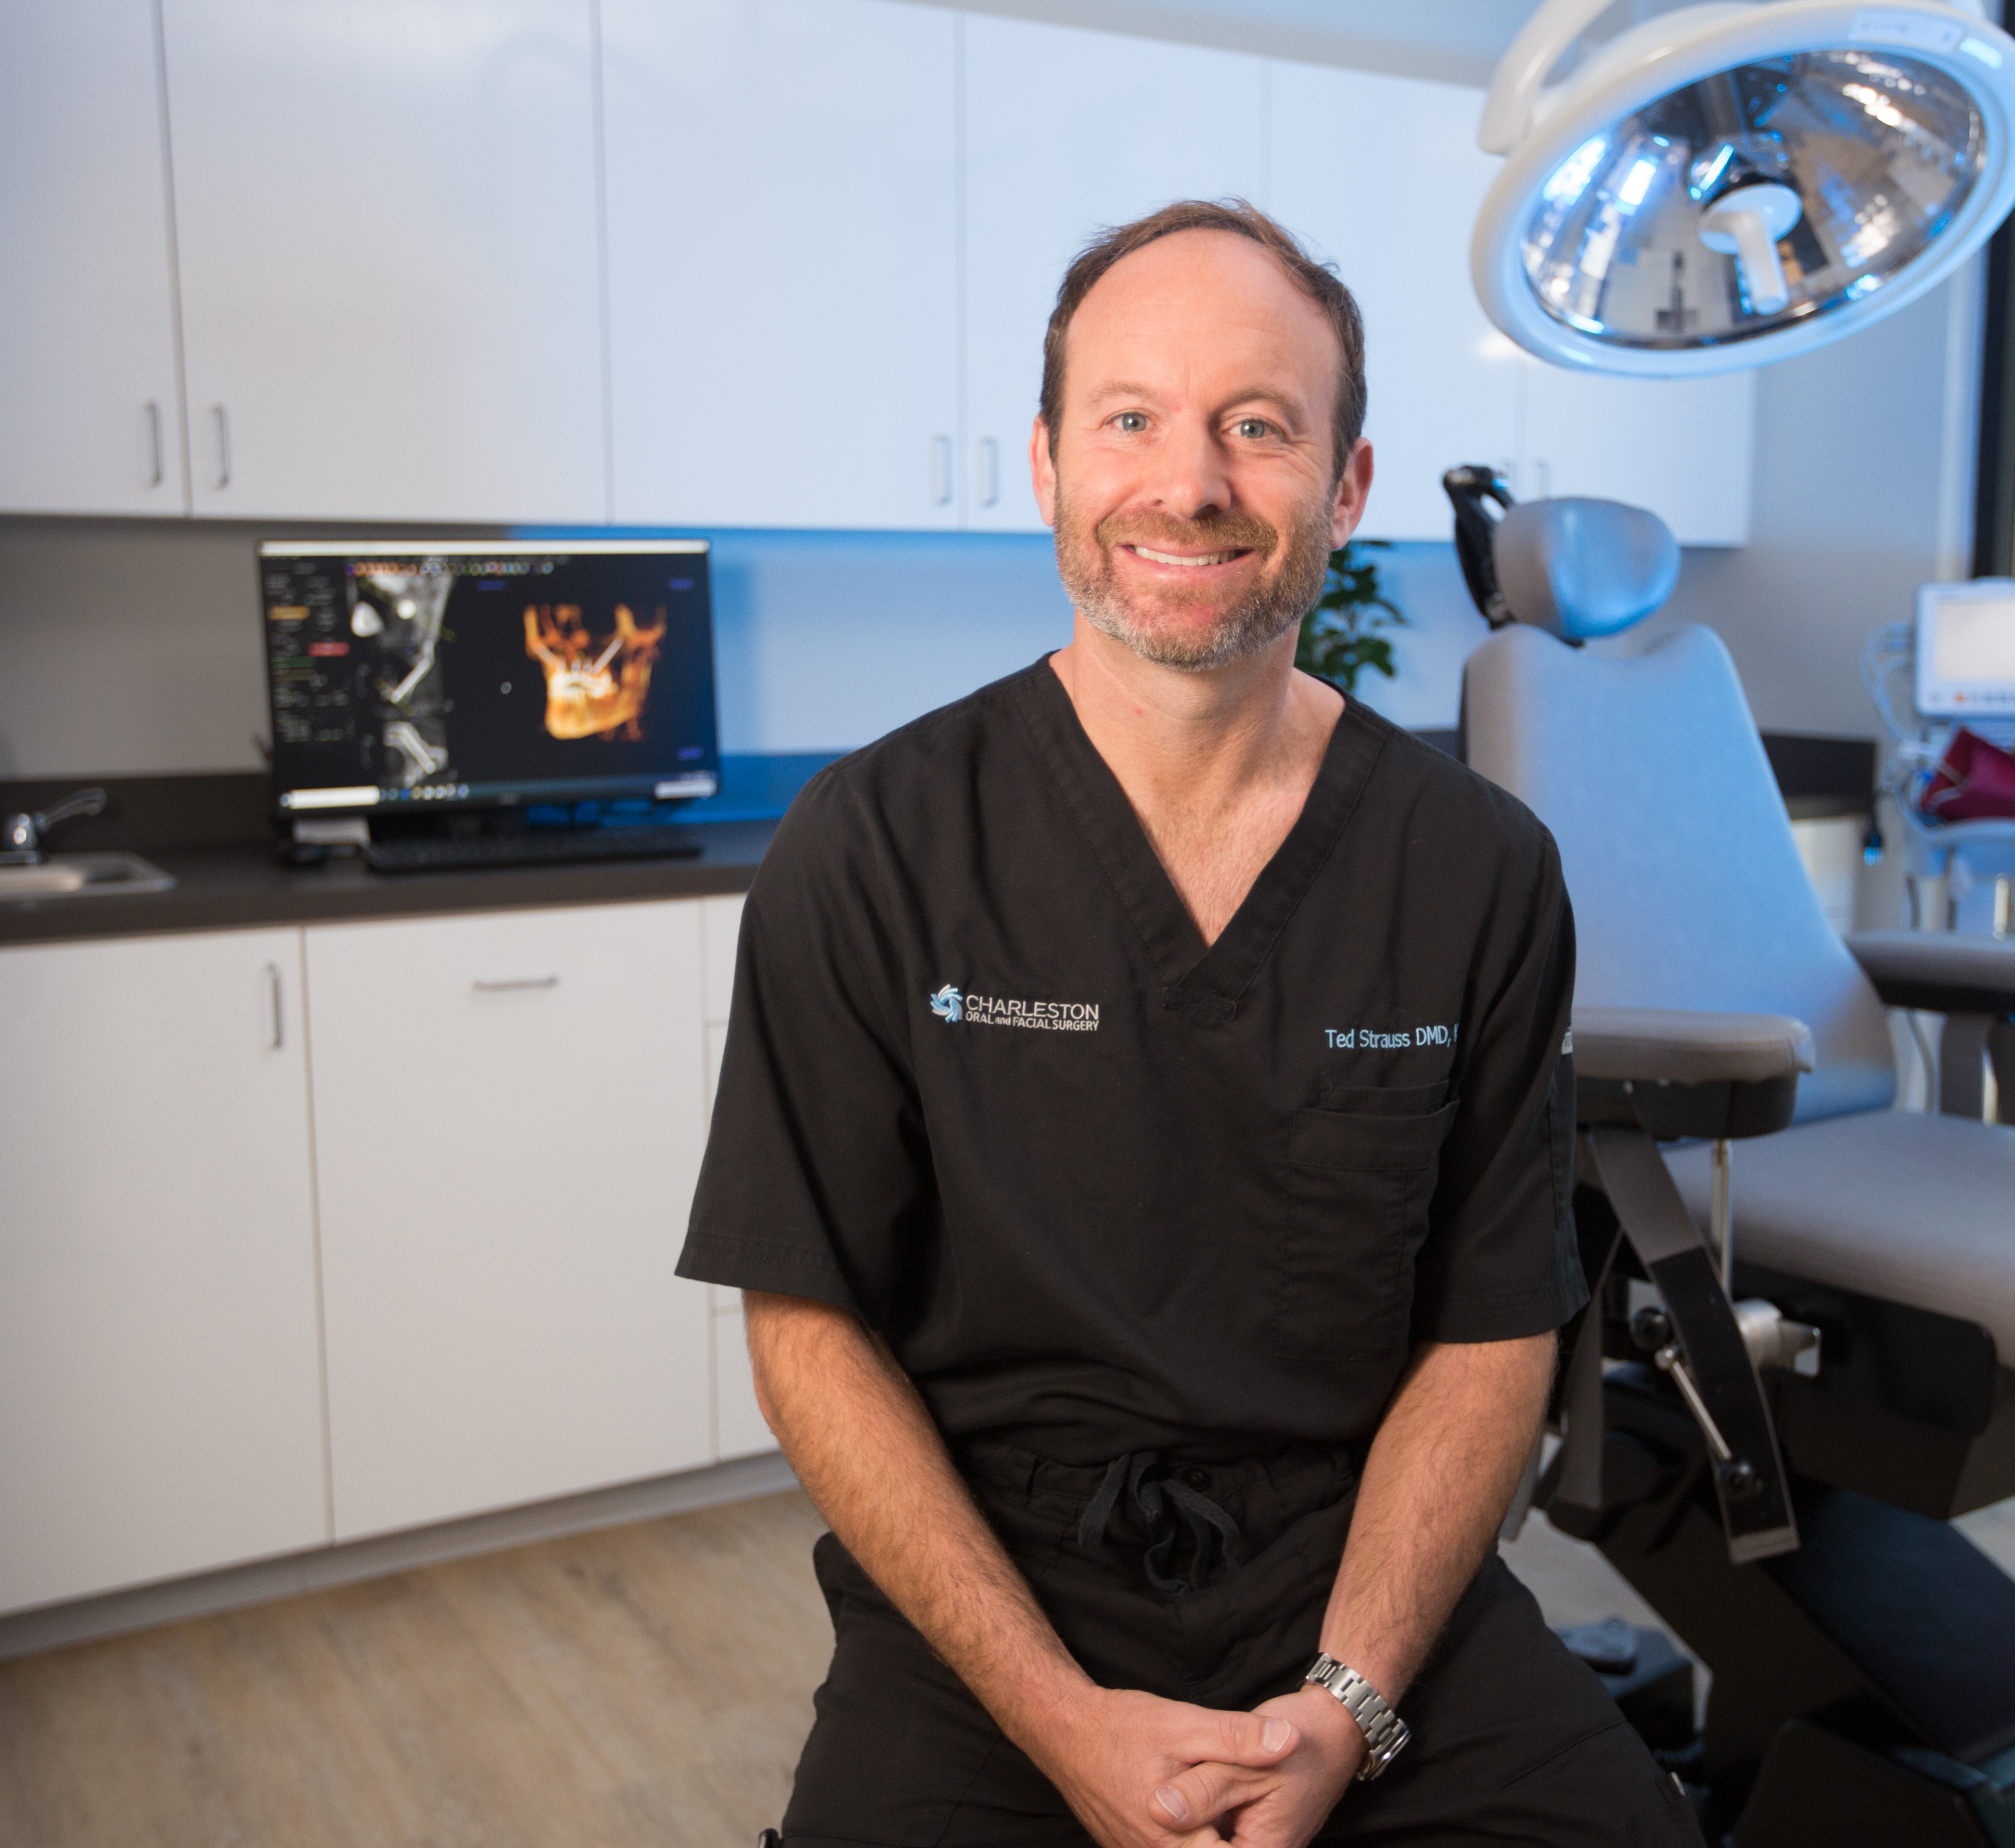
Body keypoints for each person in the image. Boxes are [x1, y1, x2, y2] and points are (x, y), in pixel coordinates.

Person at [677, 198, 1699, 1848]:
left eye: (1257, 426)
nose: (1189, 482)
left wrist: (1344, 1709)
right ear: (1048, 466)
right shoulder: (874, 847)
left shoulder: (1473, 871)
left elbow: (1491, 1332)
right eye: (1131, 419)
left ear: (1347, 486)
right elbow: (809, 1324)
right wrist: (1062, 1724)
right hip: (993, 1588)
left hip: (1357, 1574)